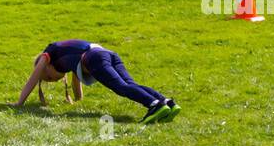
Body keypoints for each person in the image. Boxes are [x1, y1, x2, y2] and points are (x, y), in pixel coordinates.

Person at [14, 39, 180, 123]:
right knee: (130, 84)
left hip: (94, 58)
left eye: (48, 77)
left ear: (46, 65)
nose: (53, 80)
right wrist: (78, 99)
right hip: (107, 53)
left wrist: (19, 103)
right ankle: (166, 102)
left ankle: (154, 105)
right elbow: (76, 80)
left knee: (121, 87)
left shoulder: (47, 54)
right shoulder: (64, 55)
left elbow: (33, 78)